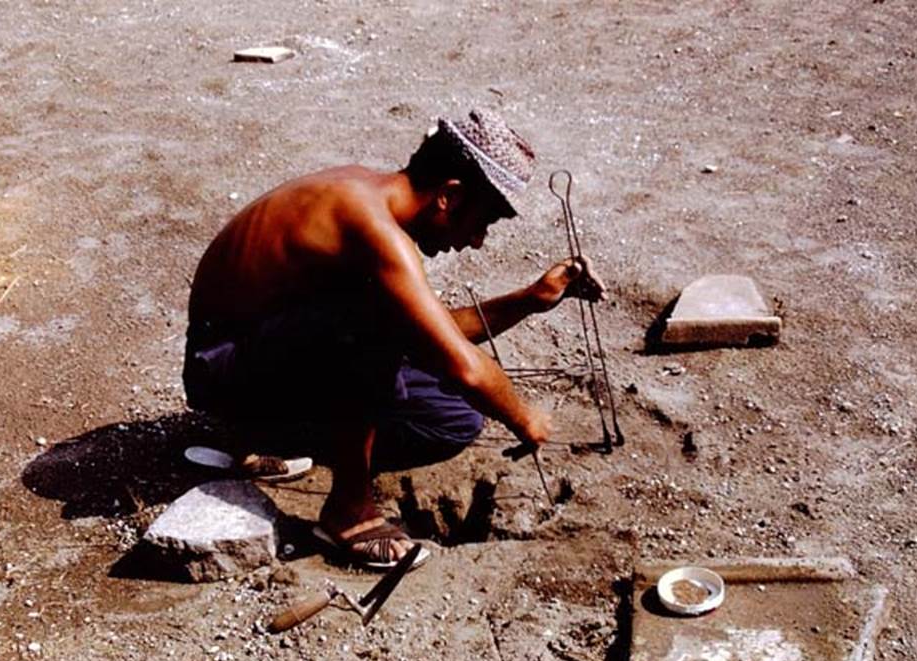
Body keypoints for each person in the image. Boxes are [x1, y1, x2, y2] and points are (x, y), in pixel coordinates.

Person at [183, 109, 604, 569]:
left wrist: (529, 299)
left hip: (267, 349)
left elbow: (432, 332)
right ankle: (348, 511)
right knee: (371, 324)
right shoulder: (370, 226)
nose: (477, 241)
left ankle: (277, 435)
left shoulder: (372, 195)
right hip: (222, 368)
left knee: (454, 421)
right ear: (450, 196)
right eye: (481, 223)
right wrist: (525, 418)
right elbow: (460, 364)